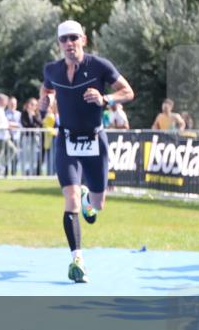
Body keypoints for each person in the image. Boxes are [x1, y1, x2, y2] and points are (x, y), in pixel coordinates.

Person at [40, 20, 134, 284]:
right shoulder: (52, 69)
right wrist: (43, 101)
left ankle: (88, 202)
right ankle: (77, 259)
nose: (69, 44)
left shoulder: (100, 66)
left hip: (95, 141)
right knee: (69, 199)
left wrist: (106, 99)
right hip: (67, 141)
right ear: (59, 44)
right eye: (64, 40)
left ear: (84, 39)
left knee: (98, 205)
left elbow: (128, 91)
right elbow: (46, 87)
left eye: (74, 38)